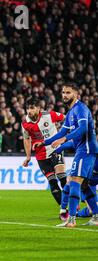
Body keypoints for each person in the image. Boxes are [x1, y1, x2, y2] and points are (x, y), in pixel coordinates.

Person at [34, 83, 98, 227]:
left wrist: (64, 139)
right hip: (83, 150)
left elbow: (82, 129)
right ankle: (96, 215)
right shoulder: (70, 113)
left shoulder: (80, 109)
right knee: (84, 185)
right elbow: (62, 132)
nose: (64, 95)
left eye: (68, 92)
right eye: (63, 92)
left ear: (76, 94)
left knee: (73, 181)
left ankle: (71, 219)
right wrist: (44, 143)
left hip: (86, 150)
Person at [21, 97, 67, 215]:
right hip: (41, 155)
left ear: (38, 108)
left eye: (32, 108)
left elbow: (66, 119)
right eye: (27, 109)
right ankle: (64, 210)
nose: (29, 111)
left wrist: (64, 136)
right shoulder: (26, 123)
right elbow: (26, 139)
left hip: (55, 149)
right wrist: (28, 157)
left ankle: (73, 205)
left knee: (62, 177)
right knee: (52, 182)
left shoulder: (49, 115)